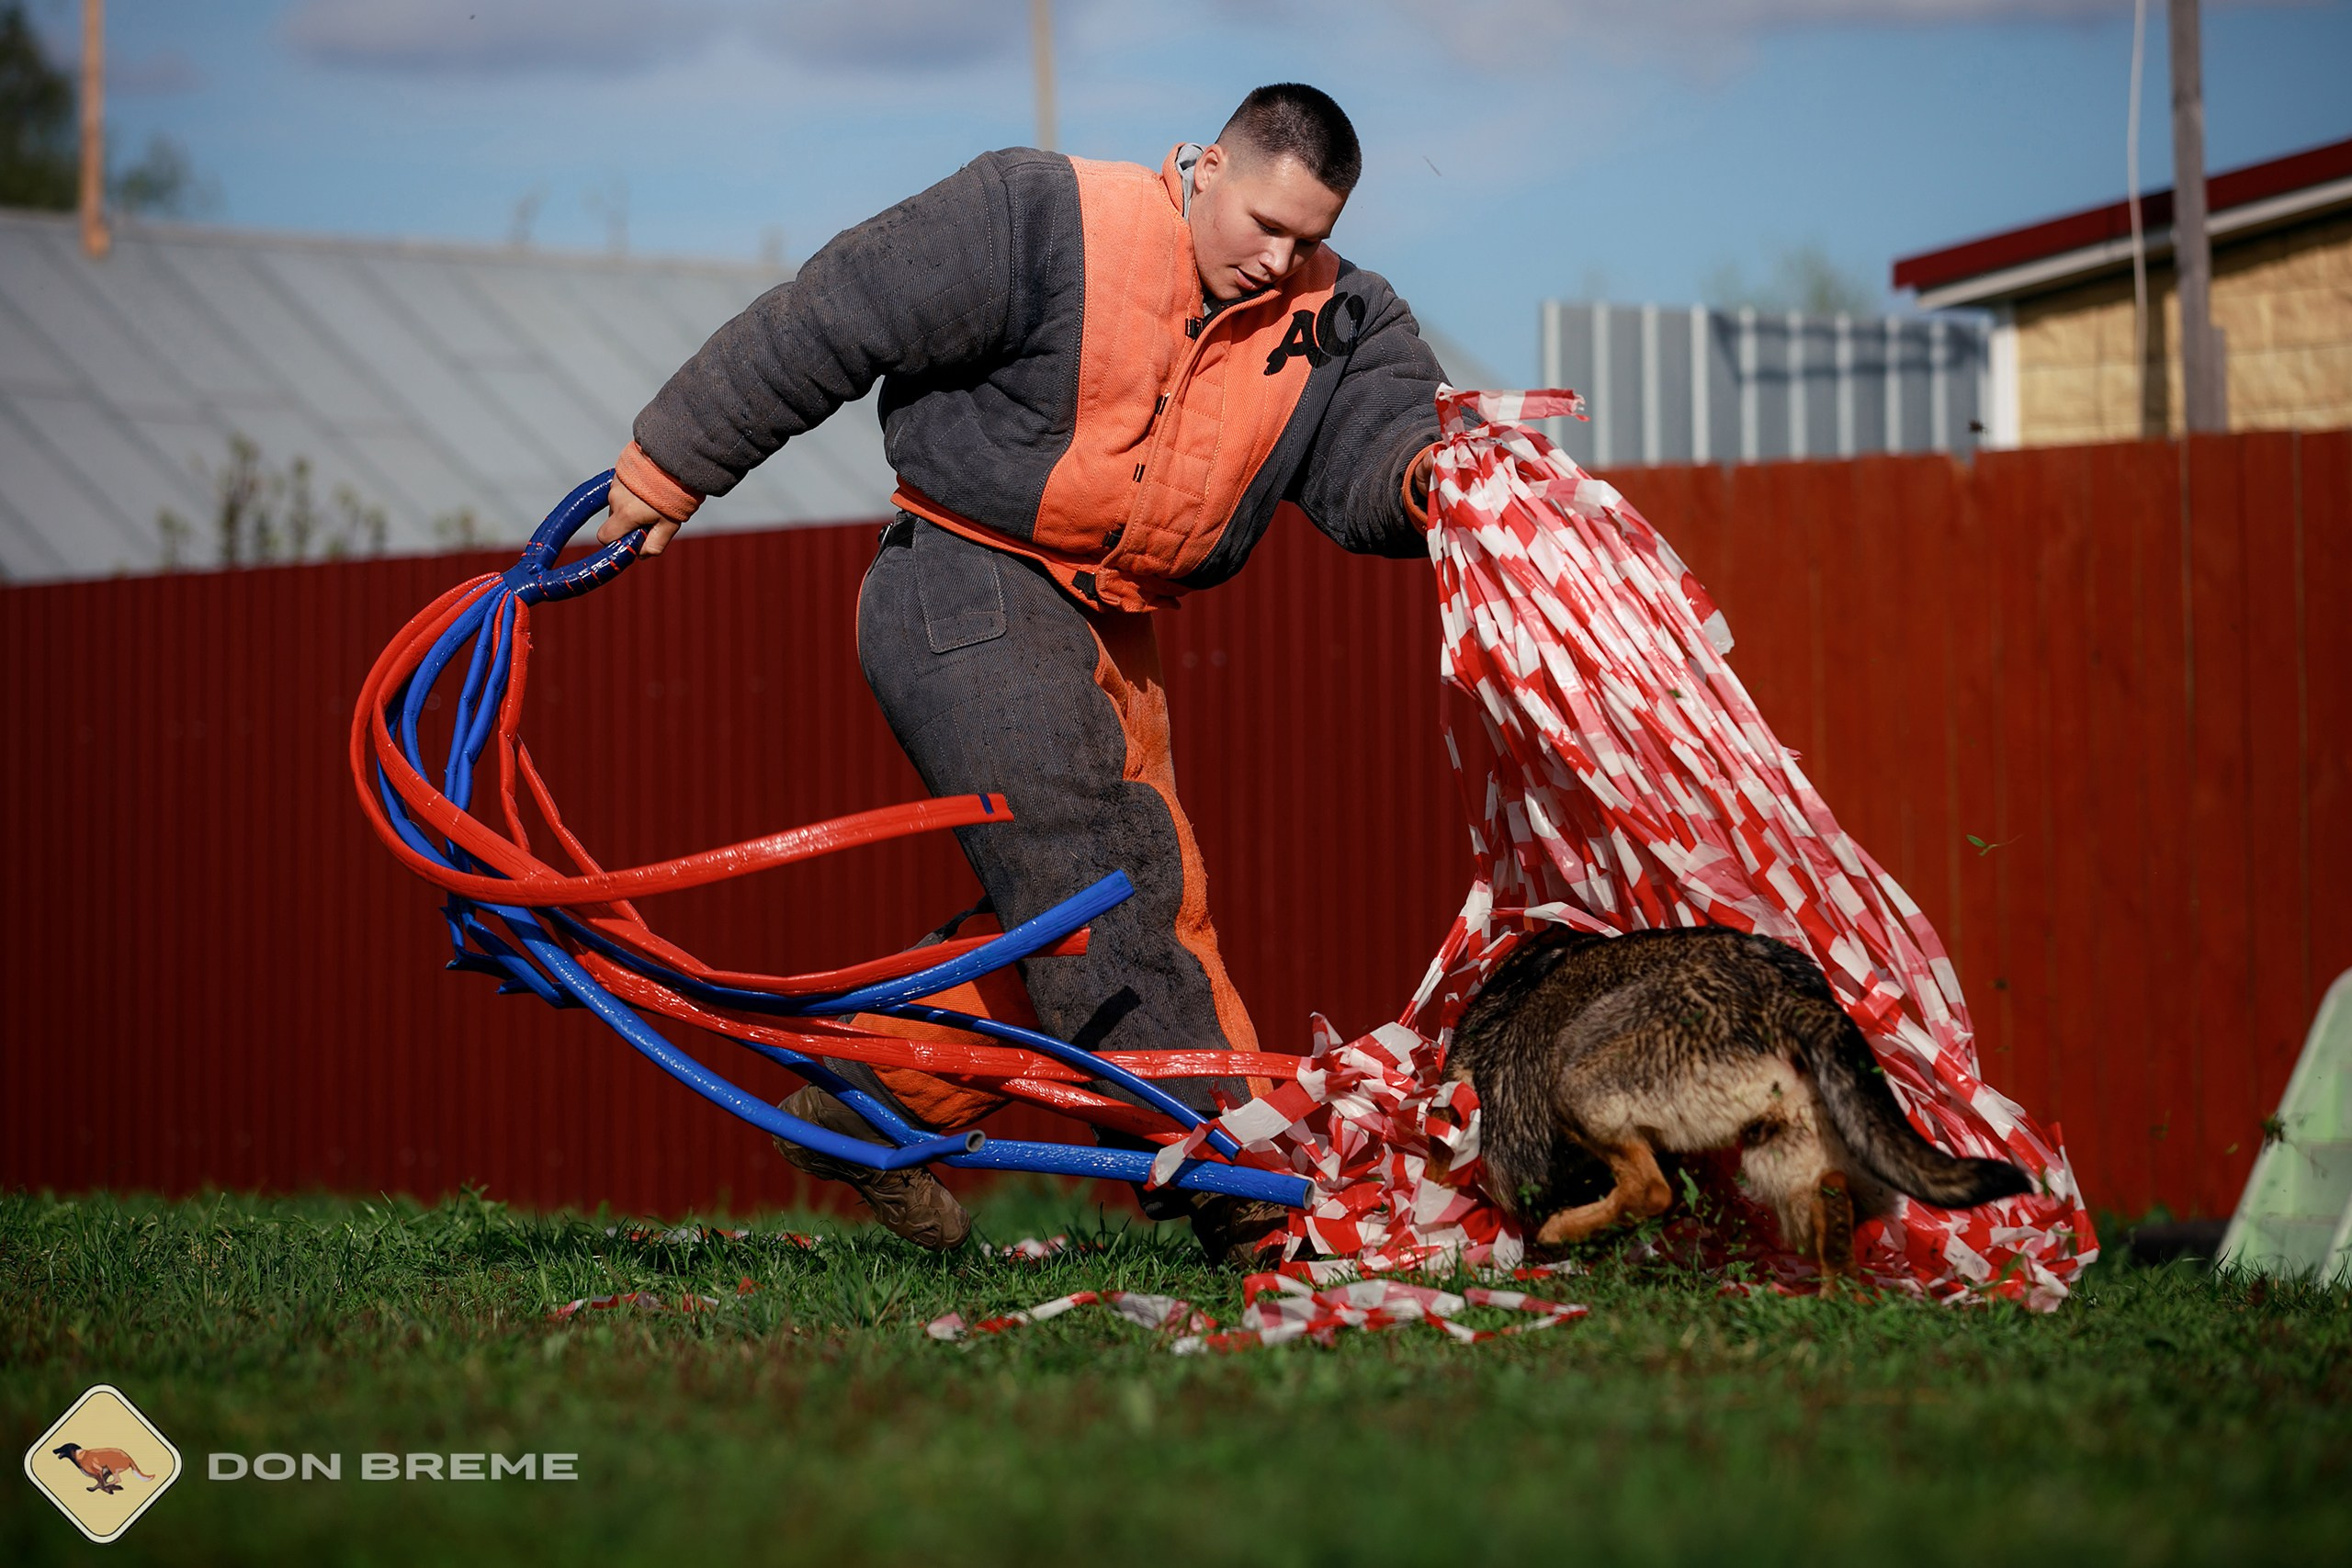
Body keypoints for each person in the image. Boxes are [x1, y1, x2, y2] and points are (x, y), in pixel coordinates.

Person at [602, 84, 1446, 1256]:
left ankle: (877, 1101)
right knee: (1111, 878)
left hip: (1117, 625)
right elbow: (828, 317)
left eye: (1309, 236)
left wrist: (1440, 485)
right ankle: (1239, 1196)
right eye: (1264, 222)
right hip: (965, 583)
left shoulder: (1343, 318)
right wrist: (664, 472)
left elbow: (1382, 451)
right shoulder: (1036, 217)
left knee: (1104, 906)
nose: (1280, 257)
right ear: (1205, 165)